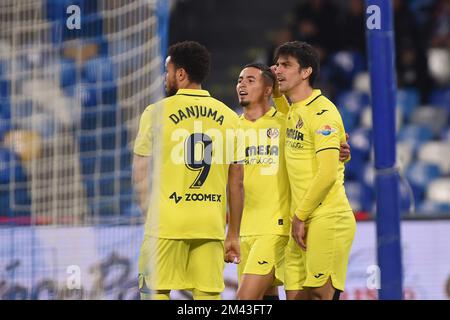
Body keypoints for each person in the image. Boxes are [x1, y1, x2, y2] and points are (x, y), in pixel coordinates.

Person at [132, 41, 244, 300]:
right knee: (207, 299)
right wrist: (233, 233)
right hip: (210, 225)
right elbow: (237, 181)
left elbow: (140, 170)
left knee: (154, 293)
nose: (165, 76)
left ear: (180, 74)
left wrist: (149, 212)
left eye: (167, 70)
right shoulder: (230, 117)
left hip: (166, 223)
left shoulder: (155, 112)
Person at [235, 63, 351, 300]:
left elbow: (319, 147)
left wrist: (341, 151)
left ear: (269, 89)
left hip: (278, 228)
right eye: (240, 80)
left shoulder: (287, 121)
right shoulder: (231, 127)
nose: (242, 85)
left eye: (250, 80)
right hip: (247, 230)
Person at [273, 41, 356, 300]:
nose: (277, 70)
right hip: (299, 219)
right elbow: (285, 109)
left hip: (326, 217)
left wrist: (300, 216)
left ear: (306, 72)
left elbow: (328, 173)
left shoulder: (323, 112)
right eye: (276, 64)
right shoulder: (294, 110)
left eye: (286, 65)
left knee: (321, 294)